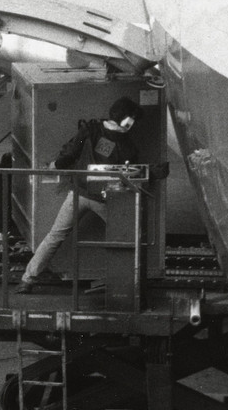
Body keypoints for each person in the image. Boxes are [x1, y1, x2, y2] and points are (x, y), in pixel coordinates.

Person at [18, 96, 143, 289]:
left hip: (79, 194)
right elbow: (130, 172)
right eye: (132, 119)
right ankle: (124, 282)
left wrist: (54, 165)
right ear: (125, 119)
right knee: (129, 238)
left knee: (55, 236)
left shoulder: (90, 129)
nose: (132, 123)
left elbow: (71, 152)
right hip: (105, 200)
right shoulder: (128, 146)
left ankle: (28, 279)